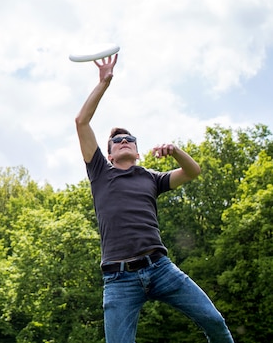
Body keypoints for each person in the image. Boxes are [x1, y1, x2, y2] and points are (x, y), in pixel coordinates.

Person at [74, 54, 233, 342]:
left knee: (215, 322)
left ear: (138, 152)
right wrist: (104, 83)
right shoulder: (99, 171)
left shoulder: (151, 177)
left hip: (161, 269)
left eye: (129, 139)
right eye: (117, 141)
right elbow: (81, 121)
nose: (124, 141)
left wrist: (175, 151)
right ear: (109, 154)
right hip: (119, 280)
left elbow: (193, 172)